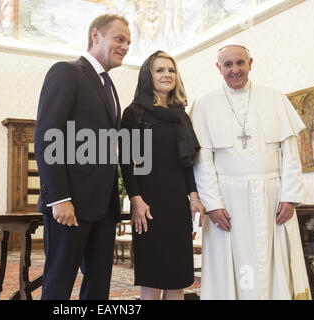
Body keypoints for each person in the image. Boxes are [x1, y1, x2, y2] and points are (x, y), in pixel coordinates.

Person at [190, 40, 310, 299]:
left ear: (250, 64)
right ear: (218, 68)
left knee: (275, 262)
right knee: (231, 262)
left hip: (273, 197)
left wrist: (289, 196)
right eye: (228, 64)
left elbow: (291, 152)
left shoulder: (274, 97)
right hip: (228, 201)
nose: (235, 70)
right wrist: (212, 203)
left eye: (240, 63)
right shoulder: (204, 103)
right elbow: (203, 160)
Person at [34, 14, 131, 300]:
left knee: (98, 285)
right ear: (95, 35)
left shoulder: (109, 86)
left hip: (104, 207)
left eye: (128, 42)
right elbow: (47, 137)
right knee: (59, 281)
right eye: (119, 39)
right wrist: (59, 197)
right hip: (71, 204)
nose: (125, 47)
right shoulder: (67, 71)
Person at [120, 50, 204, 300]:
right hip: (148, 203)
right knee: (153, 275)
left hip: (177, 203)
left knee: (178, 276)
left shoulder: (181, 115)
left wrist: (194, 196)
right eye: (160, 70)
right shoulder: (133, 113)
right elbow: (126, 161)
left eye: (171, 70)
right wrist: (136, 198)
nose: (167, 74)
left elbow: (187, 162)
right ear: (148, 76)